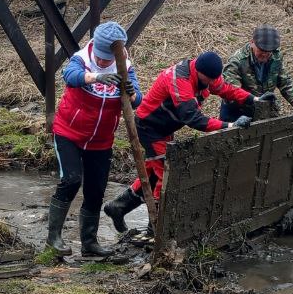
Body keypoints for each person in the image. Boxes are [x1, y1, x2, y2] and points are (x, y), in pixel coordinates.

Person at [103, 49, 265, 231]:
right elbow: (194, 119)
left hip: (165, 127)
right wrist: (229, 126)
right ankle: (155, 228)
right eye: (208, 80)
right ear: (198, 71)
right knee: (166, 175)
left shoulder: (207, 74)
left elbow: (225, 89)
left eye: (213, 80)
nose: (211, 84)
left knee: (153, 174)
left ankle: (118, 207)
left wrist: (254, 99)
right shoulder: (179, 80)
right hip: (150, 128)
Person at [47, 21, 142, 256]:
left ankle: (89, 243)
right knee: (71, 180)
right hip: (69, 132)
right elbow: (69, 76)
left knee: (96, 190)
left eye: (106, 59)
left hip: (101, 141)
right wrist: (96, 77)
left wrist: (131, 93)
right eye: (99, 57)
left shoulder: (125, 66)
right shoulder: (82, 58)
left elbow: (138, 99)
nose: (101, 61)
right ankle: (53, 239)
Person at [219, 24, 293, 122]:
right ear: (252, 43)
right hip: (237, 114)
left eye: (268, 51)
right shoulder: (237, 61)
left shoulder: (275, 57)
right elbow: (231, 93)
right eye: (261, 50)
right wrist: (255, 100)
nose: (265, 54)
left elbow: (286, 84)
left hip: (264, 111)